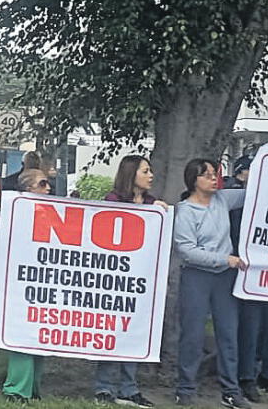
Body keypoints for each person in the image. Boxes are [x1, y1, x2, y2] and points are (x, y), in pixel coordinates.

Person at [173, 158, 250, 409]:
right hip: (197, 276)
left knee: (229, 333)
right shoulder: (185, 211)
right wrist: (224, 259)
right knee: (192, 334)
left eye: (214, 174)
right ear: (193, 180)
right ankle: (185, 387)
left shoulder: (222, 199)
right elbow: (187, 251)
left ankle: (230, 390)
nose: (213, 179)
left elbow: (255, 195)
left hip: (224, 276)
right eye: (206, 175)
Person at [94, 156, 166, 407]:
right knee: (111, 332)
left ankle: (128, 387)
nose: (151, 175)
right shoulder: (112, 201)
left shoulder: (152, 204)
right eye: (146, 171)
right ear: (131, 174)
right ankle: (104, 386)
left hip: (139, 281)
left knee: (133, 332)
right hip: (114, 280)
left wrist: (159, 213)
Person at [2, 167, 54, 403]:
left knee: (40, 333)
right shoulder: (16, 211)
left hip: (45, 281)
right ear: (27, 188)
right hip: (21, 281)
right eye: (43, 184)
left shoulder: (52, 212)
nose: (48, 188)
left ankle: (33, 387)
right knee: (22, 333)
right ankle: (15, 388)